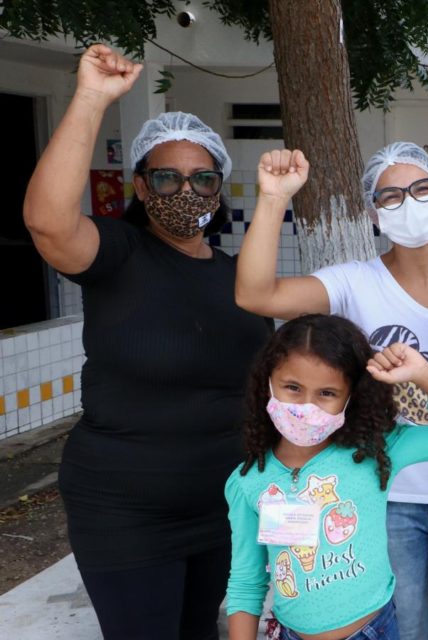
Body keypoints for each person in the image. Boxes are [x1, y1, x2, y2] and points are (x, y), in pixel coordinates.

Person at [21, 44, 272, 640]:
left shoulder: (237, 276)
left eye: (202, 177)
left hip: (221, 504)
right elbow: (48, 222)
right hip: (124, 509)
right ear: (141, 183)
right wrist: (91, 97)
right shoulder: (117, 254)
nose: (186, 190)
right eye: (167, 176)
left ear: (220, 186)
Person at [234, 143, 428, 640]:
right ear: (373, 212)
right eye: (390, 195)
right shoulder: (353, 284)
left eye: (421, 189)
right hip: (384, 498)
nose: (409, 203)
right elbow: (255, 294)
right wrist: (271, 198)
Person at [224, 313, 428, 640]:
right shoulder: (248, 481)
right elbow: (246, 583)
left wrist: (423, 374)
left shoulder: (375, 451)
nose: (307, 406)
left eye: (326, 393)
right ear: (267, 383)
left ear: (350, 396)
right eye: (292, 387)